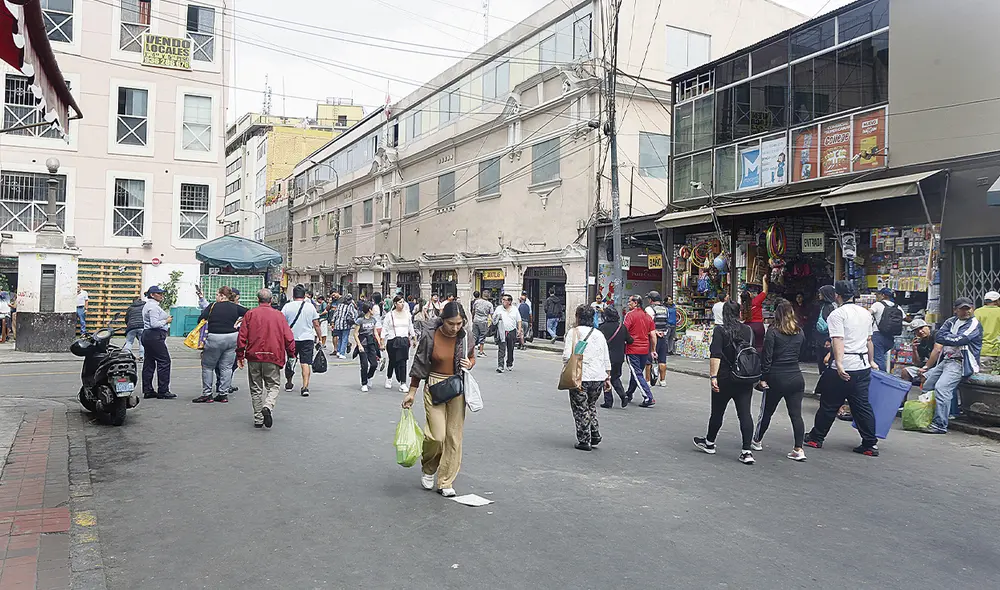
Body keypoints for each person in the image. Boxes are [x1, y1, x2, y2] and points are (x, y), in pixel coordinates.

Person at [402, 301, 476, 497]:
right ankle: (428, 468)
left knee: (454, 436)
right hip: (434, 385)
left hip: (456, 386)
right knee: (436, 435)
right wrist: (412, 392)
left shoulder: (466, 336)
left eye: (459, 323)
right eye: (451, 323)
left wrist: (470, 364)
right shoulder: (430, 335)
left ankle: (445, 481)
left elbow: (471, 357)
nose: (455, 328)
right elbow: (420, 363)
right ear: (443, 320)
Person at [803, 281, 879, 456]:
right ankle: (870, 443)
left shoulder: (838, 314)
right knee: (862, 406)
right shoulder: (866, 314)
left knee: (829, 404)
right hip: (862, 366)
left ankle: (816, 437)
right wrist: (872, 361)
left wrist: (839, 364)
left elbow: (838, 339)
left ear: (838, 295)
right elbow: (869, 340)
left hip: (845, 365)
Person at [694, 302, 758, 464]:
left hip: (724, 377)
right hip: (744, 377)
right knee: (745, 414)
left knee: (717, 412)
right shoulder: (748, 330)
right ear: (739, 313)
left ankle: (709, 442)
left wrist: (713, 377)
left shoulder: (720, 330)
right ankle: (746, 451)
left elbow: (716, 354)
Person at [753, 299, 807, 461]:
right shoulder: (799, 331)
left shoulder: (773, 332)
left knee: (767, 412)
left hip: (777, 377)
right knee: (796, 415)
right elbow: (801, 353)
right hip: (796, 376)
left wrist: (763, 378)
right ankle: (798, 449)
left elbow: (767, 358)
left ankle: (757, 440)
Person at [920, 298, 983, 434]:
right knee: (928, 385)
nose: (966, 311)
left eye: (968, 308)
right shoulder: (951, 321)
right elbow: (938, 336)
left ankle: (940, 424)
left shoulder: (974, 323)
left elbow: (962, 339)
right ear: (956, 310)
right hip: (947, 360)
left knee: (942, 388)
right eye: (962, 309)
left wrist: (949, 338)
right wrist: (951, 339)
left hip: (960, 361)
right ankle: (928, 417)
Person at [236, 289, 295, 429]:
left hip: (254, 356)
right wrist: (291, 354)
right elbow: (289, 337)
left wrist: (240, 355)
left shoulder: (250, 314)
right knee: (273, 386)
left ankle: (258, 418)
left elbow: (242, 337)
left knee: (256, 388)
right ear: (271, 300)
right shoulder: (279, 316)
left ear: (258, 300)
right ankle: (268, 405)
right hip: (273, 356)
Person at [562, 305, 611, 451]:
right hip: (598, 377)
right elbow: (605, 357)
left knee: (580, 408)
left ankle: (584, 440)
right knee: (590, 405)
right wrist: (607, 377)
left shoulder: (574, 332)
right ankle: (594, 433)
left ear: (577, 316)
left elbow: (566, 356)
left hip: (580, 376)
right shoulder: (599, 334)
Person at [193, 286, 248, 404]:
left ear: (223, 296)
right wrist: (239, 321)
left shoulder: (212, 306)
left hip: (215, 338)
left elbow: (200, 320)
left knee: (208, 366)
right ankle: (223, 394)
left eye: (217, 295)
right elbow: (250, 314)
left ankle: (207, 394)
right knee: (227, 367)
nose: (216, 297)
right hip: (232, 338)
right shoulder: (236, 307)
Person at [281, 284, 322, 397]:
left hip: (291, 339)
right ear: (304, 295)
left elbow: (282, 324)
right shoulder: (310, 307)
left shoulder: (287, 307)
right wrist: (320, 337)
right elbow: (316, 324)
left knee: (290, 361)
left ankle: (289, 383)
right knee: (305, 363)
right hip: (307, 339)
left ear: (293, 295)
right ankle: (305, 387)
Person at [140, 286, 174, 399]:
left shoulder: (148, 305)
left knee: (149, 362)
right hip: (154, 335)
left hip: (148, 335)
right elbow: (154, 324)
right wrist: (166, 321)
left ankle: (148, 389)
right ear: (152, 295)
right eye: (159, 293)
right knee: (164, 361)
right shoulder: (153, 307)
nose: (161, 295)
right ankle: (163, 390)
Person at [624, 294, 657, 408]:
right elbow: (653, 335)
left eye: (630, 302)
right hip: (645, 349)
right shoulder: (648, 317)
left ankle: (648, 397)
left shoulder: (630, 316)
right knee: (636, 372)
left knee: (637, 373)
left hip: (632, 349)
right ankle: (629, 394)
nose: (629, 304)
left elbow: (624, 331)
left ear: (636, 303)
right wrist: (653, 350)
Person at [598, 306, 633, 408]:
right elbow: (630, 340)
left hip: (606, 358)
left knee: (606, 378)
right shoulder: (621, 327)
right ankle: (623, 395)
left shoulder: (602, 328)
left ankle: (608, 401)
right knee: (615, 378)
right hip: (619, 357)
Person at [382, 295, 417, 392]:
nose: (402, 304)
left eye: (403, 302)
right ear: (395, 304)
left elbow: (410, 326)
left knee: (403, 362)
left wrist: (414, 338)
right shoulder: (390, 315)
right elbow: (385, 328)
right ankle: (389, 378)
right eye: (400, 302)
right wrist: (382, 341)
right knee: (393, 361)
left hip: (404, 340)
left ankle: (403, 383)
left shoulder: (407, 314)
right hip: (393, 340)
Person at [870, 287, 904, 371]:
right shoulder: (897, 307)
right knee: (880, 357)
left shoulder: (877, 304)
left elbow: (868, 313)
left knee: (878, 360)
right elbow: (905, 318)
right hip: (890, 339)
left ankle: (882, 379)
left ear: (883, 295)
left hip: (878, 336)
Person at [352, 301, 383, 392]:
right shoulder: (360, 320)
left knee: (374, 364)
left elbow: (375, 332)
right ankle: (364, 383)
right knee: (364, 364)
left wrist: (379, 342)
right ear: (369, 310)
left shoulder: (373, 320)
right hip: (363, 344)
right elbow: (355, 333)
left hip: (371, 344)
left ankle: (369, 377)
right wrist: (359, 345)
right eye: (373, 309)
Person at [644, 291, 671, 387]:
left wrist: (654, 332)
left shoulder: (649, 309)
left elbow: (648, 323)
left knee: (649, 360)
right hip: (663, 336)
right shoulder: (665, 309)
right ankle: (662, 380)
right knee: (662, 360)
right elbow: (667, 322)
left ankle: (647, 380)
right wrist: (662, 332)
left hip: (652, 336)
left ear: (651, 300)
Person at [492, 294, 523, 373]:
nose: (503, 301)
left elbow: (519, 320)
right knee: (501, 349)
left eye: (505, 300)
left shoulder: (515, 309)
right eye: (503, 299)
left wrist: (519, 330)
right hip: (501, 331)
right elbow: (493, 319)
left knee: (510, 348)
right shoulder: (499, 308)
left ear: (509, 302)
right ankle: (500, 366)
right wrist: (497, 317)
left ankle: (509, 363)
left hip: (511, 331)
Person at [903, 319, 938, 383]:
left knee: (924, 377)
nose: (920, 331)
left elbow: (937, 351)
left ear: (927, 327)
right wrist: (914, 349)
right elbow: (917, 363)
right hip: (929, 367)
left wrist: (925, 367)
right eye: (916, 330)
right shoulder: (921, 342)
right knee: (905, 371)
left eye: (921, 328)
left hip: (939, 366)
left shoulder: (936, 334)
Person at [975, 291, 1000, 374]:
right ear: (997, 301)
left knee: (982, 379)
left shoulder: (977, 312)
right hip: (997, 351)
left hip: (982, 351)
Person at [742, 274, 769, 352]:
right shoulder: (756, 301)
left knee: (748, 346)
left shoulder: (742, 306)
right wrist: (764, 280)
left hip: (747, 327)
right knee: (759, 346)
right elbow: (765, 291)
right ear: (749, 295)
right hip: (758, 326)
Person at [331, 293, 357, 359]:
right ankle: (342, 353)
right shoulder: (350, 305)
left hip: (338, 324)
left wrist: (333, 322)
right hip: (346, 324)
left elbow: (335, 314)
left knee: (340, 338)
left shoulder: (340, 305)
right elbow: (353, 314)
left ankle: (338, 351)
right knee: (345, 338)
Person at [470, 291, 494, 358]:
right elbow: (491, 314)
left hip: (476, 320)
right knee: (482, 337)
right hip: (483, 321)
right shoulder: (489, 304)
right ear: (488, 295)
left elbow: (473, 311)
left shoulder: (477, 302)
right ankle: (481, 351)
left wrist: (472, 318)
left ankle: (469, 351)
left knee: (474, 336)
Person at [123, 295, 145, 360]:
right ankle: (142, 356)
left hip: (131, 327)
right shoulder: (144, 306)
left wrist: (129, 325)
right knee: (142, 342)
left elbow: (126, 318)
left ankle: (126, 355)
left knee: (129, 341)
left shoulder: (130, 308)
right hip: (142, 326)